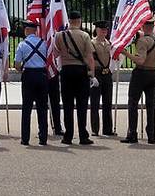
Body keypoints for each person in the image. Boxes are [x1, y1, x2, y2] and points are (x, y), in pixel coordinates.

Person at [54, 10, 97, 145]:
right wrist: (92, 73)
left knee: (67, 105)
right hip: (81, 71)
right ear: (79, 21)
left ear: (69, 21)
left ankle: (68, 135)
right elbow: (90, 57)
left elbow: (55, 53)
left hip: (66, 70)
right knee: (82, 104)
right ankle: (83, 135)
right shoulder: (85, 35)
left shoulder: (59, 35)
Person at [120, 17, 155, 144]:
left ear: (143, 26)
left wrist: (126, 53)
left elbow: (140, 60)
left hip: (141, 73)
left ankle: (132, 133)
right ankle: (151, 135)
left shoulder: (143, 41)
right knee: (151, 105)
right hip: (154, 72)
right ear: (153, 26)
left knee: (133, 103)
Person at [14, 20, 49, 146]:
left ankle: (25, 138)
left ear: (27, 30)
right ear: (35, 30)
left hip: (28, 75)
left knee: (27, 108)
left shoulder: (22, 45)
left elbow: (17, 65)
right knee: (42, 108)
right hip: (42, 75)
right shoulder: (44, 43)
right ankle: (43, 137)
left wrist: (21, 69)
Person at [90, 20, 115, 137]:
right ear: (97, 30)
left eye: (105, 30)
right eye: (101, 29)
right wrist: (92, 75)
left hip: (107, 74)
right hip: (97, 73)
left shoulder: (109, 43)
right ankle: (95, 129)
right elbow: (89, 60)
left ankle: (107, 129)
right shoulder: (92, 43)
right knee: (95, 102)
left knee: (107, 102)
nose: (104, 31)